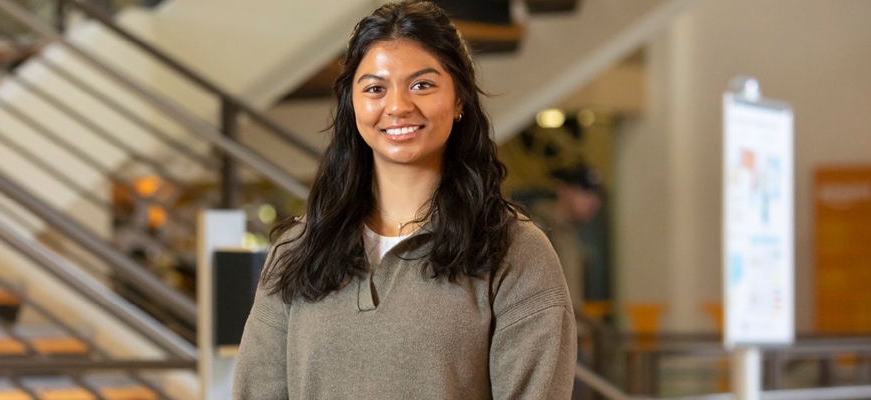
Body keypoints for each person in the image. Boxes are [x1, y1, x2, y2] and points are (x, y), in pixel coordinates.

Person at [233, 2, 576, 398]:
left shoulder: (516, 252)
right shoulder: (298, 249)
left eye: (422, 85)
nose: (397, 107)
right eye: (375, 88)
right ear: (353, 106)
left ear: (460, 99)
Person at [532, 164, 604, 309]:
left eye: (596, 195)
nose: (593, 201)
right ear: (563, 191)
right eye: (585, 192)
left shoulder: (572, 233)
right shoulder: (538, 228)